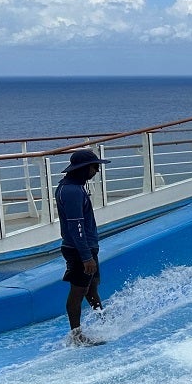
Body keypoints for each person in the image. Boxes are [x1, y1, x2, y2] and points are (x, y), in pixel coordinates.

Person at [56, 148, 108, 345]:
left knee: (91, 287)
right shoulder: (71, 191)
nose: (97, 171)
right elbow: (76, 225)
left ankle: (103, 321)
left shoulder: (73, 187)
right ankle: (76, 336)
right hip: (78, 250)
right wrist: (86, 256)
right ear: (85, 168)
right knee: (78, 292)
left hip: (86, 247)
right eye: (95, 167)